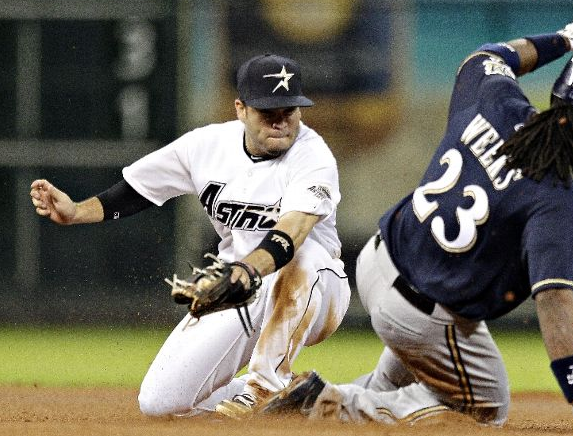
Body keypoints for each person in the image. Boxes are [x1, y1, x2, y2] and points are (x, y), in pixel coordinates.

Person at [259, 24, 573, 426]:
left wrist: (563, 39)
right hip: (425, 313)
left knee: (389, 392)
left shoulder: (495, 99)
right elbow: (555, 298)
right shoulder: (558, 196)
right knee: (486, 407)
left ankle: (318, 406)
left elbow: (488, 56)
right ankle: (329, 402)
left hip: (380, 260)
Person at [30, 54, 351, 418]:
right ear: (241, 109)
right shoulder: (206, 146)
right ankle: (302, 397)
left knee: (302, 255)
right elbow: (138, 189)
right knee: (160, 403)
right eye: (268, 111)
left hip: (317, 290)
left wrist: (246, 270)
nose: (280, 122)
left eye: (289, 110)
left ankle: (268, 384)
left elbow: (292, 232)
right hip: (241, 287)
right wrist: (76, 212)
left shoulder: (314, 157)